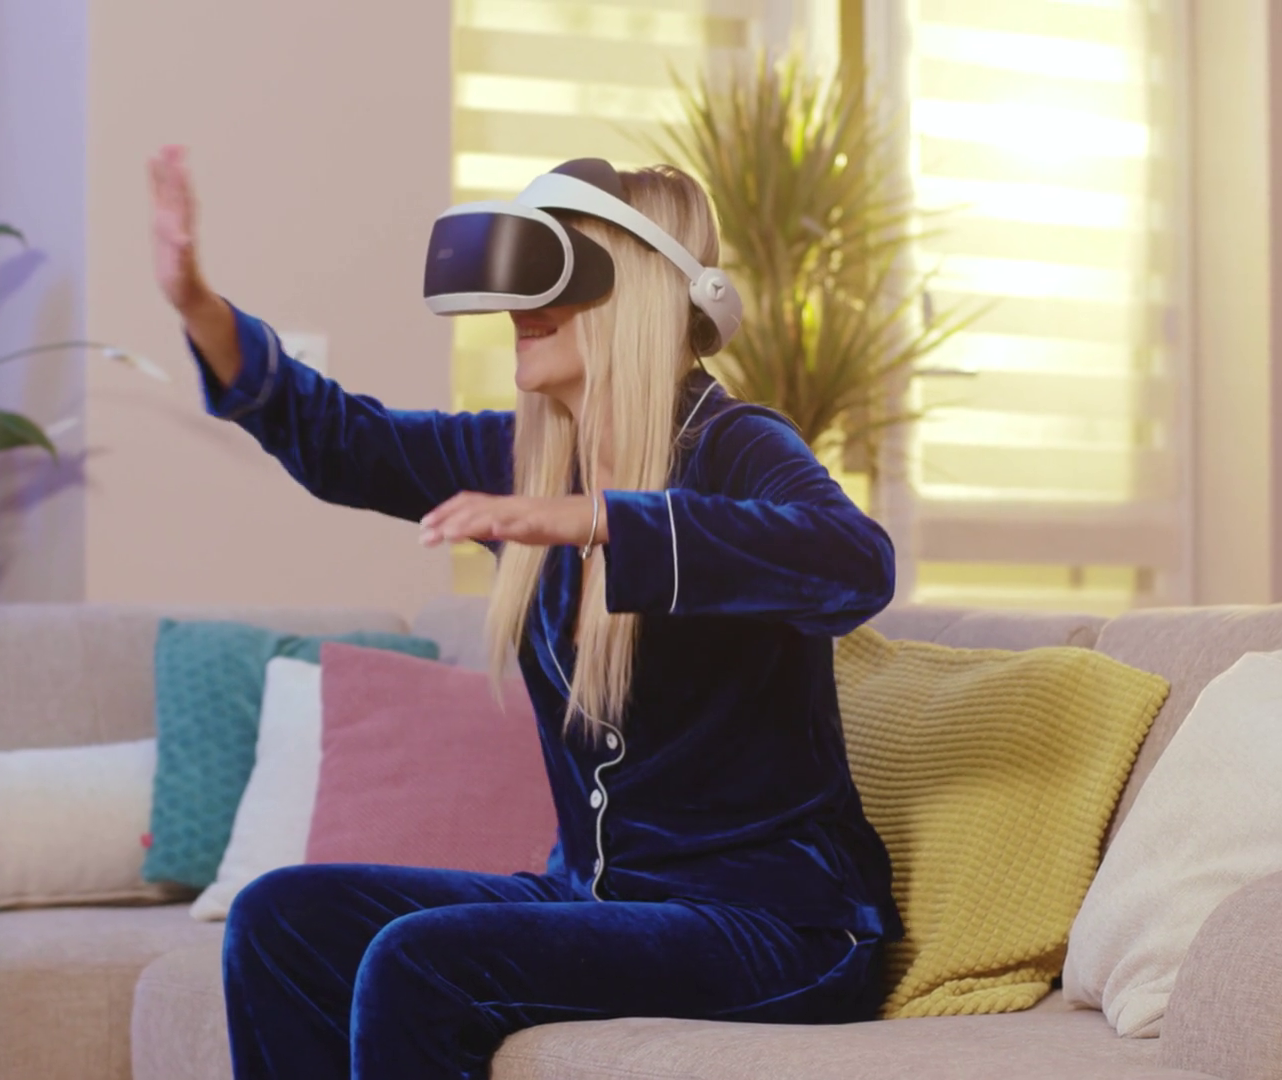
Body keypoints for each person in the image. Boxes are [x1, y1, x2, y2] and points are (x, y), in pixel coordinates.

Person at [147, 144, 901, 1080]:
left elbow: (856, 563)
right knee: (282, 920)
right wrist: (197, 304)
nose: (517, 306)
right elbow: (345, 442)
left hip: (779, 924)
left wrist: (599, 520)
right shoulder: (529, 462)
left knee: (422, 963)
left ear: (636, 290)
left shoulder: (734, 445)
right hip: (595, 898)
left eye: (555, 270)